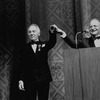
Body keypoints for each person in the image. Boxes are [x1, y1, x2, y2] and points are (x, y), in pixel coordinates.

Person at [17, 24, 65, 100]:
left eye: (33, 31)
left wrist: (52, 32)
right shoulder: (25, 48)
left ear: (38, 33)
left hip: (43, 78)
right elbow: (22, 65)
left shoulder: (44, 45)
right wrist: (21, 80)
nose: (31, 33)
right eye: (29, 32)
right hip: (29, 79)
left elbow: (52, 42)